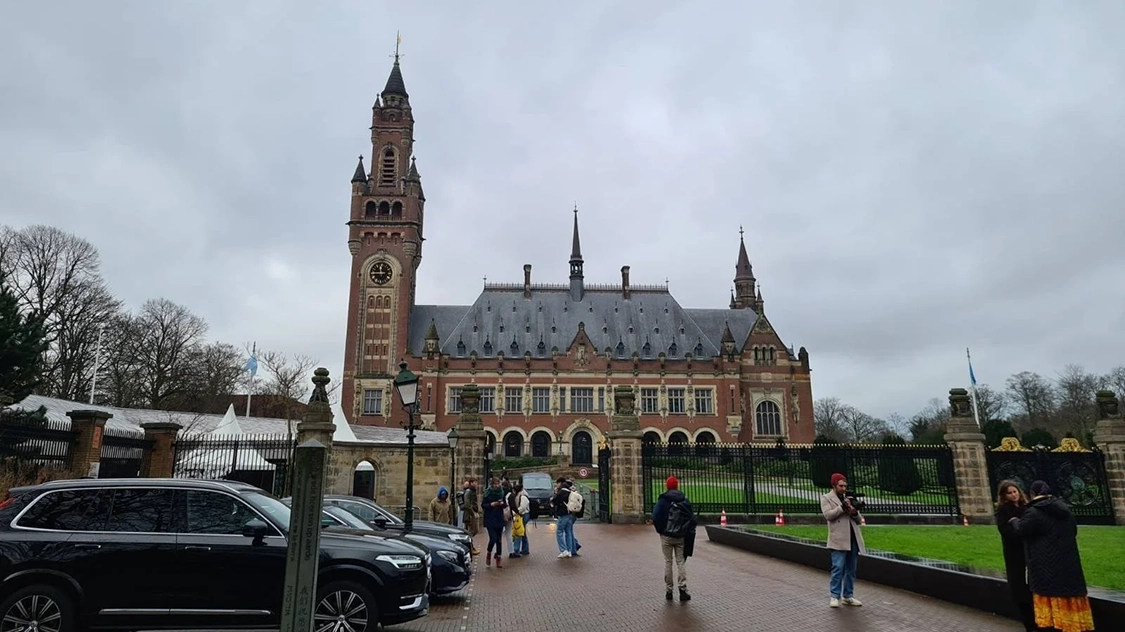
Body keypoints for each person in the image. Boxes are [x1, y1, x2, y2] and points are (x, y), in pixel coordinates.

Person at [1009, 480, 1095, 632]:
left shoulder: (1034, 512)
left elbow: (1022, 530)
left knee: (1049, 600)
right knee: (1069, 596)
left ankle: (1054, 625)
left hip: (1045, 565)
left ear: (1033, 494)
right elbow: (1073, 531)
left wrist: (1015, 521)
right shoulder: (1065, 510)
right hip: (1069, 564)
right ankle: (1073, 625)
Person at [995, 480, 1035, 631]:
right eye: (1010, 493)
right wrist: (1018, 529)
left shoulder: (1027, 507)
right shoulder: (1003, 510)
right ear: (1004, 496)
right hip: (1015, 554)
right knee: (1020, 590)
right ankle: (1029, 624)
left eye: (1015, 491)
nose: (1014, 495)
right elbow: (1005, 531)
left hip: (1030, 552)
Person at [820, 472, 865, 608]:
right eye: (841, 486)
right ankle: (835, 596)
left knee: (851, 569)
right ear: (834, 485)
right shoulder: (826, 498)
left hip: (852, 537)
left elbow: (859, 520)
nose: (844, 488)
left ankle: (848, 595)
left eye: (845, 486)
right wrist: (842, 508)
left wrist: (854, 511)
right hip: (838, 539)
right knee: (838, 567)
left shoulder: (849, 498)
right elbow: (828, 515)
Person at [652, 475, 696, 602]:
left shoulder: (663, 500)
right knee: (680, 562)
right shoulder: (684, 500)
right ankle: (683, 589)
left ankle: (669, 591)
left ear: (667, 486)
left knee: (668, 562)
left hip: (666, 536)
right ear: (677, 486)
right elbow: (691, 518)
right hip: (680, 536)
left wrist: (661, 530)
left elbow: (656, 517)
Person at [481, 476, 507, 568]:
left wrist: (502, 504)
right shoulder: (488, 493)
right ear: (492, 484)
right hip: (490, 519)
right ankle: (489, 553)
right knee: (493, 538)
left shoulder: (502, 493)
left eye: (498, 483)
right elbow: (483, 505)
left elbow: (505, 505)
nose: (497, 485)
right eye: (495, 484)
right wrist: (491, 505)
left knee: (499, 540)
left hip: (499, 518)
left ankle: (499, 558)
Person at [551, 478, 578, 558]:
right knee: (568, 532)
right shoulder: (570, 492)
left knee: (559, 531)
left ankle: (563, 550)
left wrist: (556, 493)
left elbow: (554, 501)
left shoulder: (562, 492)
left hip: (563, 514)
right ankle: (569, 551)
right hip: (570, 513)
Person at [509, 482, 530, 557]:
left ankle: (516, 549)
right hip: (522, 514)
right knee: (522, 532)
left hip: (523, 515)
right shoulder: (521, 496)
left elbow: (523, 507)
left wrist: (516, 511)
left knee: (518, 531)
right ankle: (525, 549)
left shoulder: (523, 497)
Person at [461, 479, 481, 556]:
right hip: (470, 514)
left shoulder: (472, 491)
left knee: (474, 531)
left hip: (472, 513)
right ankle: (468, 546)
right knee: (472, 531)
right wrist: (472, 513)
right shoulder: (469, 492)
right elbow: (467, 504)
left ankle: (470, 546)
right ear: (471, 483)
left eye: (477, 482)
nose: (476, 484)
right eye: (474, 482)